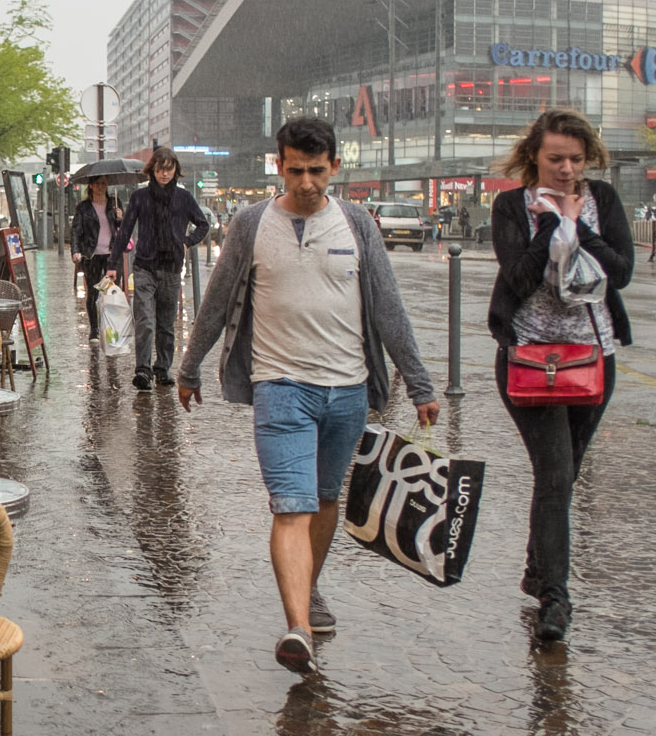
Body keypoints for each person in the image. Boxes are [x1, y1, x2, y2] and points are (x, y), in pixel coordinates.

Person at [175, 116, 438, 674]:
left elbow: (388, 309)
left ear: (335, 167)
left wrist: (420, 384)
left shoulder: (358, 224)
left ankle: (309, 590)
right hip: (279, 387)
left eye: (317, 171)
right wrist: (190, 365)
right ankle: (297, 627)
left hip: (347, 391)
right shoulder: (251, 224)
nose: (306, 182)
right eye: (295, 170)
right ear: (280, 164)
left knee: (321, 499)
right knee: (290, 503)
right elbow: (219, 300)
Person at [487, 109, 632, 643]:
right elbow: (519, 276)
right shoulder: (511, 206)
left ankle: (537, 569)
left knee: (563, 477)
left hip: (593, 360)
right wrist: (552, 222)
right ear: (534, 158)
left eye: (576, 159)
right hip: (528, 360)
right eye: (555, 159)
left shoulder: (605, 201)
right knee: (553, 474)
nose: (567, 169)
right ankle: (556, 597)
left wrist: (581, 227)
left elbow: (621, 270)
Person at [106, 146, 210, 390]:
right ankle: (143, 369)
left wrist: (187, 242)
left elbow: (203, 225)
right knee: (145, 321)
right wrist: (112, 264)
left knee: (166, 323)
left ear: (176, 171)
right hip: (144, 267)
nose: (165, 174)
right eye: (160, 169)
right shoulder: (140, 198)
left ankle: (162, 368)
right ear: (152, 169)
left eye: (169, 169)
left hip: (171, 268)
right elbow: (126, 231)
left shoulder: (184, 198)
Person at [70, 178, 122, 342]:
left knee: (111, 293)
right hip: (92, 255)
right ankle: (94, 329)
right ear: (90, 186)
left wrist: (120, 217)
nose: (101, 187)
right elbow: (76, 230)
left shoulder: (114, 202)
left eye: (104, 183)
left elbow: (123, 228)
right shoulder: (84, 207)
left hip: (111, 256)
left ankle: (111, 329)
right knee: (93, 293)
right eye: (98, 183)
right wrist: (75, 250)